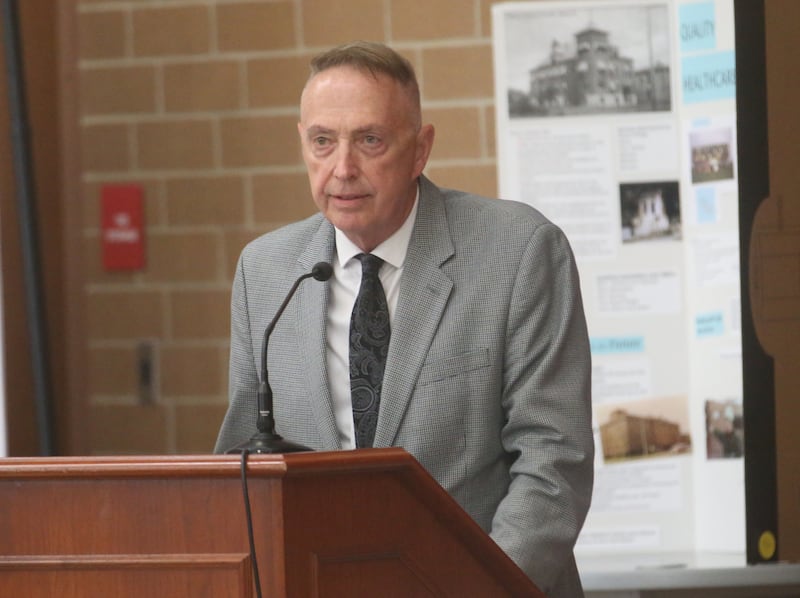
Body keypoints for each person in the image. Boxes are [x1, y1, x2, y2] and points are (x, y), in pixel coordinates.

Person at [215, 40, 594, 597]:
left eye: (370, 140)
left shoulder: (519, 252)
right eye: (323, 142)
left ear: (420, 149)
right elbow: (243, 462)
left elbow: (553, 460)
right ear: (304, 144)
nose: (342, 169)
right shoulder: (267, 271)